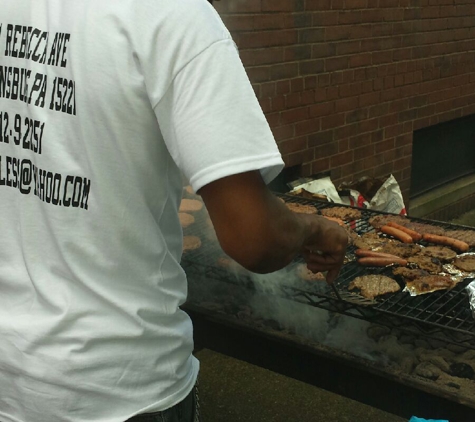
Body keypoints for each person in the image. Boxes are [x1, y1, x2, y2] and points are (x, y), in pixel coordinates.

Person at [0, 1, 348, 421]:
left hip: (13, 376)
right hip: (121, 387)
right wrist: (314, 229)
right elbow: (256, 239)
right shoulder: (173, 14)